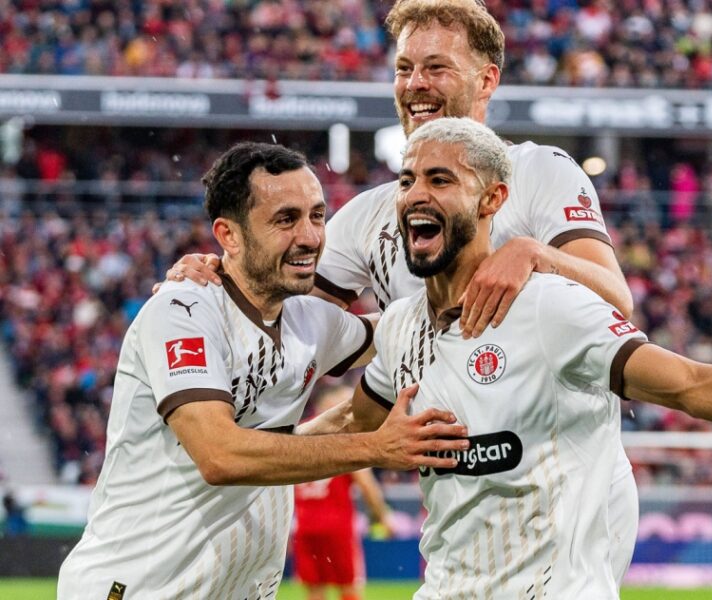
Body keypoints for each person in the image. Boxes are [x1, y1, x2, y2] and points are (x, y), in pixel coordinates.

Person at [161, 0, 639, 586]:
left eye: (436, 68)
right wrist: (217, 270)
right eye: (404, 68)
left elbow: (617, 301)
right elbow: (279, 312)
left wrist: (536, 254)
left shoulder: (541, 172)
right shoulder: (370, 217)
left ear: (487, 79)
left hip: (568, 492)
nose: (416, 84)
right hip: (462, 492)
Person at [351, 117, 712, 599]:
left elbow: (690, 383)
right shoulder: (399, 326)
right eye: (406, 180)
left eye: (440, 180)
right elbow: (354, 428)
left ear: (492, 200)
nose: (416, 194)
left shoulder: (550, 305)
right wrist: (269, 447)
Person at [57, 142, 468, 599]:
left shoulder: (310, 321)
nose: (311, 236)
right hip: (136, 588)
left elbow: (412, 327)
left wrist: (515, 263)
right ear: (228, 236)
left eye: (316, 215)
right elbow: (221, 455)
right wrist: (375, 447)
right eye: (285, 219)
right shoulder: (182, 311)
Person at [293, 385, 393, 600]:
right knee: (348, 588)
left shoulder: (297, 434)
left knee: (314, 591)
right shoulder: (341, 436)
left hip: (305, 526)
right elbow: (365, 483)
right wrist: (383, 516)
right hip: (337, 526)